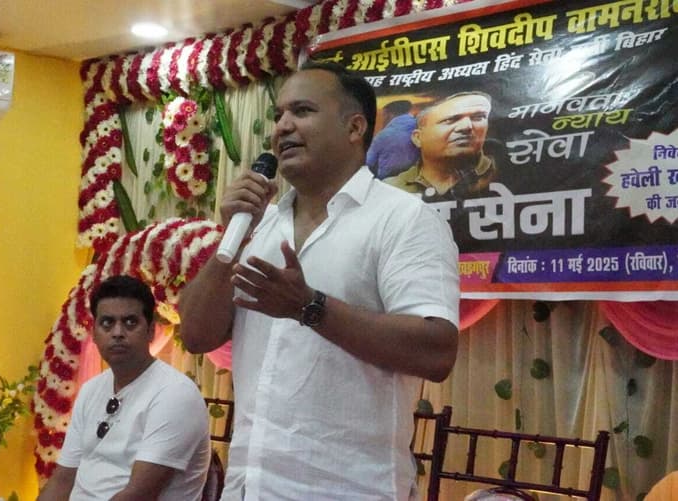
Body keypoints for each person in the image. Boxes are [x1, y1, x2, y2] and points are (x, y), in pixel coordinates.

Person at [178, 61, 459, 500]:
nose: (283, 127)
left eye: (302, 111)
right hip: (250, 488)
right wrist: (231, 237)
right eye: (278, 115)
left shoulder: (404, 219)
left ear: (355, 128)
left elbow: (436, 351)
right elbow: (196, 335)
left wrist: (308, 307)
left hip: (349, 490)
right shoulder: (261, 226)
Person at [38, 275, 210, 501]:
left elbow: (138, 495)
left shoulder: (175, 394)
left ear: (150, 331)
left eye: (130, 322)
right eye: (107, 323)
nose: (117, 332)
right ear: (94, 333)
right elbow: (63, 480)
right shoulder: (91, 390)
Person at [384, 91, 497, 201]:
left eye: (478, 117)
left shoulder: (503, 172)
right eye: (450, 120)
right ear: (418, 138)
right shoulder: (391, 189)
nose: (466, 126)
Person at [366, 99, 420, 179]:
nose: (383, 118)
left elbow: (368, 162)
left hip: (388, 182)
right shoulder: (422, 128)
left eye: (384, 115)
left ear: (388, 114)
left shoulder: (383, 136)